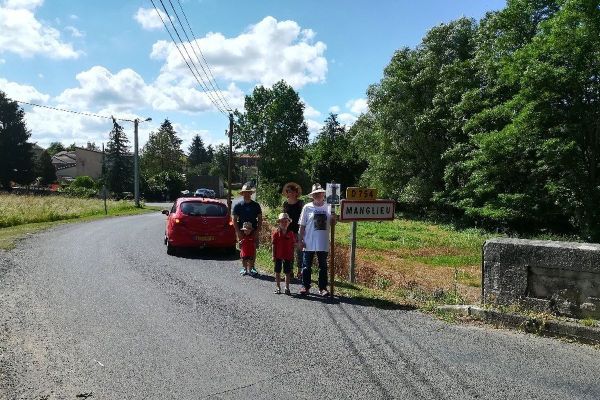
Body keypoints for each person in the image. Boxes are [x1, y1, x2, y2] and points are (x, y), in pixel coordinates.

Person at [298, 183, 335, 297]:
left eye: (320, 194)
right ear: (312, 196)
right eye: (315, 194)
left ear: (324, 194)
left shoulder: (329, 207)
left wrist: (334, 218)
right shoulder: (307, 207)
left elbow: (333, 223)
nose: (318, 196)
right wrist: (300, 240)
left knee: (323, 266)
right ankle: (306, 286)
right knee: (306, 266)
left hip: (322, 242)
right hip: (308, 242)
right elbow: (302, 225)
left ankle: (322, 288)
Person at [232, 183, 262, 275]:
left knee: (253, 249)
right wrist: (238, 232)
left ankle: (252, 267)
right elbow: (234, 219)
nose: (247, 194)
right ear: (242, 193)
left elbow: (260, 219)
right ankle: (244, 268)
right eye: (245, 192)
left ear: (251, 194)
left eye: (248, 192)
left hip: (253, 231)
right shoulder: (238, 206)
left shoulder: (256, 205)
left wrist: (257, 231)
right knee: (243, 249)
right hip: (242, 231)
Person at [282, 182, 304, 279]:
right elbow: (283, 217)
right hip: (288, 231)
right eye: (288, 191)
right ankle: (290, 271)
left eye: (292, 191)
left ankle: (300, 271)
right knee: (289, 252)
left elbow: (304, 217)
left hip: (298, 230)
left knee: (299, 252)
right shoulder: (285, 204)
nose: (290, 193)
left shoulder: (300, 203)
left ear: (296, 193)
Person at [271, 213, 296, 295]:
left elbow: (293, 245)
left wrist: (292, 255)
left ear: (288, 222)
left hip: (288, 256)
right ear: (279, 222)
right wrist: (273, 255)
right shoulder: (276, 233)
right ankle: (278, 287)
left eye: (286, 221)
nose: (284, 223)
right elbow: (273, 245)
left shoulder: (291, 233)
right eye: (282, 221)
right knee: (277, 272)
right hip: (278, 255)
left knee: (287, 272)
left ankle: (287, 288)